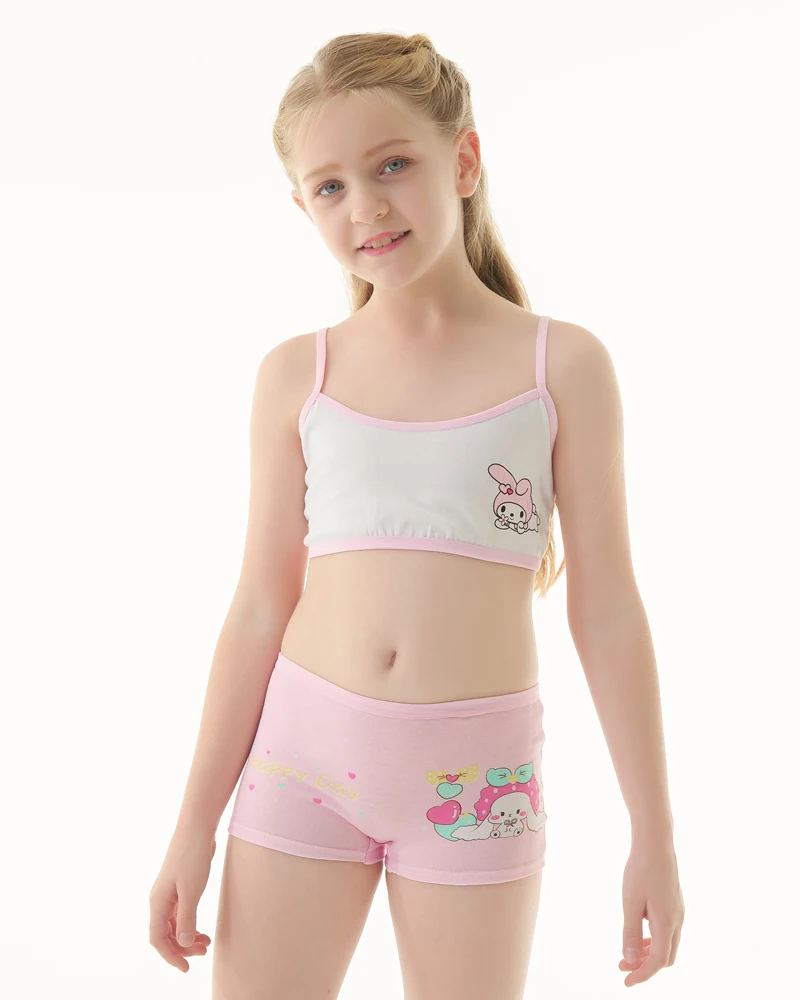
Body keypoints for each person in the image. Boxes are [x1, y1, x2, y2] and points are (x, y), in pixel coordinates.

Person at [148, 30, 684, 997]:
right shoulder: (297, 376)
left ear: (464, 162)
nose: (366, 205)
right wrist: (193, 824)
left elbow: (607, 609)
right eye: (331, 186)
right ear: (303, 205)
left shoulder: (560, 367)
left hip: (476, 786)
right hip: (302, 768)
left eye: (393, 165)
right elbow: (259, 608)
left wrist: (654, 834)